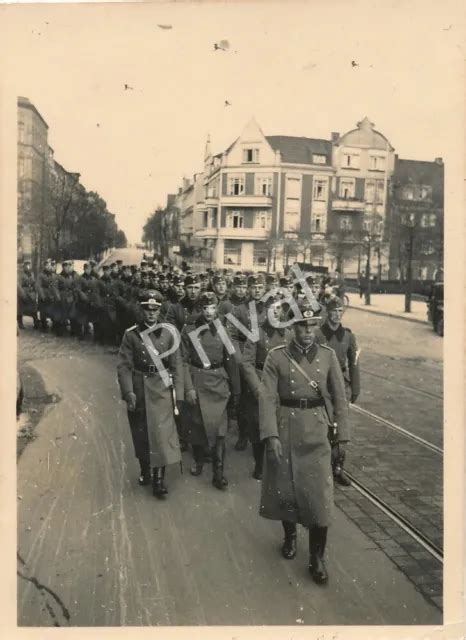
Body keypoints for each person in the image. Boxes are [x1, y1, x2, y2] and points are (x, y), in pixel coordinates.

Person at [258, 299, 349, 584]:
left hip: (318, 430)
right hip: (286, 427)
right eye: (301, 326)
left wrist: (342, 435)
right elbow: (267, 398)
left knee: (319, 494)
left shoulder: (327, 356)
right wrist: (270, 434)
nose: (307, 331)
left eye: (312, 325)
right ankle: (290, 536)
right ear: (292, 327)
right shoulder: (276, 357)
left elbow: (339, 399)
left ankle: (317, 557)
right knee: (286, 488)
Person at [117, 289, 183, 498]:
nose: (151, 314)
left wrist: (178, 395)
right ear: (141, 310)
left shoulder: (169, 332)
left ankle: (158, 480)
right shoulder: (131, 334)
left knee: (161, 435)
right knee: (142, 432)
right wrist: (128, 392)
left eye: (155, 310)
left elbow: (177, 365)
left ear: (160, 310)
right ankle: (145, 469)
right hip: (140, 386)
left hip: (162, 387)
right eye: (147, 309)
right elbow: (124, 366)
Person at [181, 291, 240, 490]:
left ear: (217, 308)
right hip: (198, 378)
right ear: (199, 309)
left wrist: (235, 389)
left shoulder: (223, 329)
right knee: (197, 425)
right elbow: (182, 361)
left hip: (219, 381)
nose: (209, 312)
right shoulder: (189, 329)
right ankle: (198, 462)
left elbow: (231, 361)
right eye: (205, 308)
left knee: (220, 429)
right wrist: (188, 387)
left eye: (213, 308)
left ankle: (218, 472)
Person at [241, 299, 291, 479]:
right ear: (265, 312)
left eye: (279, 308)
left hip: (282, 385)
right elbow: (246, 363)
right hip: (261, 381)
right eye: (272, 308)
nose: (276, 312)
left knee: (280, 424)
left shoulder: (289, 334)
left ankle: (277, 462)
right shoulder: (257, 333)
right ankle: (259, 464)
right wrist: (257, 388)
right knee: (257, 425)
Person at [315, 296, 360, 487]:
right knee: (321, 425)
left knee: (340, 425)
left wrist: (355, 387)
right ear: (327, 312)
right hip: (322, 382)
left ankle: (338, 468)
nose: (337, 315)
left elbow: (354, 363)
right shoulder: (318, 334)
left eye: (340, 311)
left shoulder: (348, 336)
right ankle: (321, 467)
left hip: (341, 384)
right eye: (333, 311)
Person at [228, 273, 268, 451]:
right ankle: (244, 434)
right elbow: (232, 336)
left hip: (266, 357)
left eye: (260, 287)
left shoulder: (271, 308)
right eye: (253, 288)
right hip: (246, 357)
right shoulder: (239, 310)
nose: (257, 291)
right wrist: (239, 359)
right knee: (246, 400)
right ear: (248, 289)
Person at [36, 258, 58, 332]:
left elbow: (54, 286)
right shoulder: (41, 275)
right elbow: (38, 286)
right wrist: (42, 296)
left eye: (49, 265)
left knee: (52, 310)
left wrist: (56, 296)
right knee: (43, 311)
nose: (49, 267)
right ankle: (43, 326)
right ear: (44, 266)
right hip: (44, 294)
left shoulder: (52, 275)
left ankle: (54, 325)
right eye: (47, 265)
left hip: (51, 294)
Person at [17, 259, 39, 329]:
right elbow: (18, 285)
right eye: (26, 265)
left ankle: (36, 323)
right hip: (24, 292)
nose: (28, 266)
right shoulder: (20, 274)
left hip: (31, 293)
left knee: (34, 308)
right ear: (24, 266)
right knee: (21, 309)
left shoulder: (31, 273)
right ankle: (20, 323)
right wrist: (22, 294)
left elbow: (34, 282)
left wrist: (35, 291)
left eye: (29, 265)